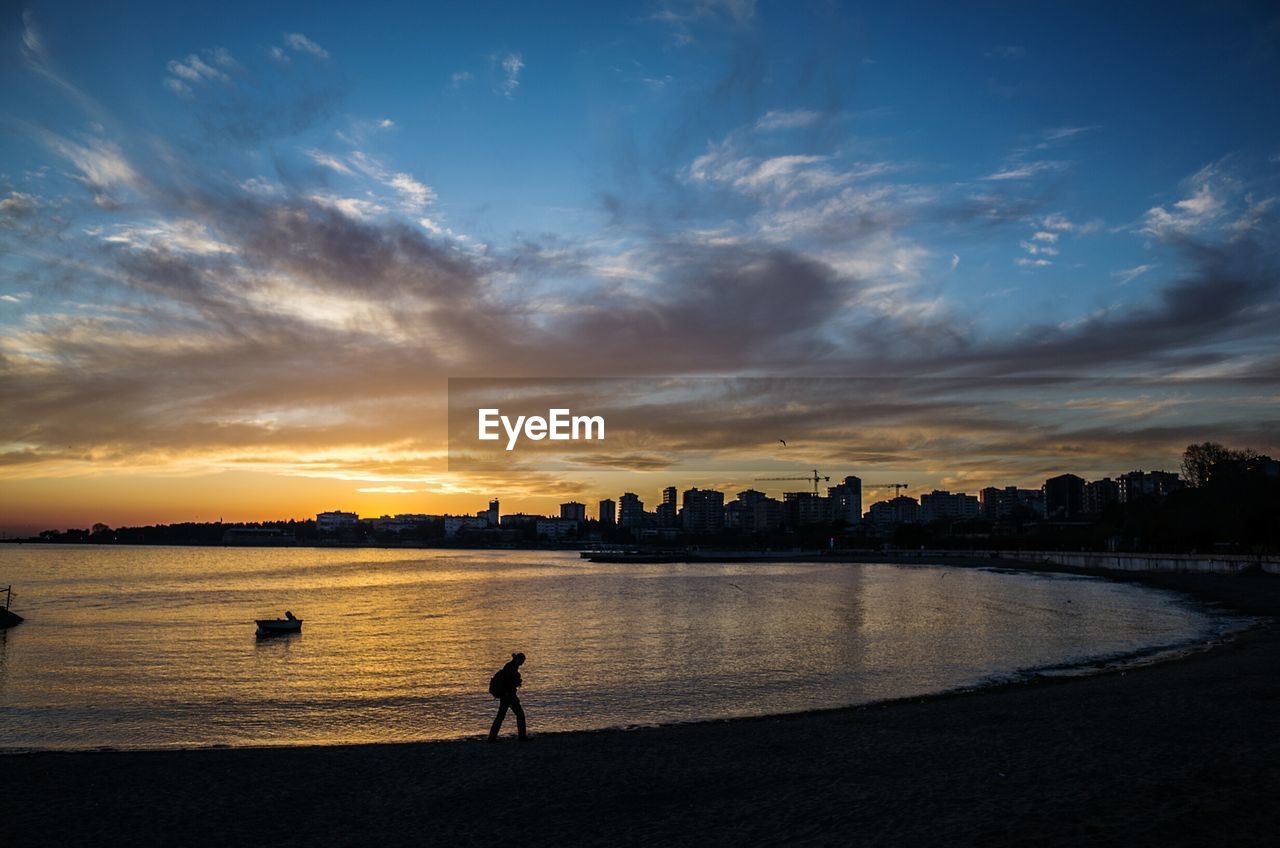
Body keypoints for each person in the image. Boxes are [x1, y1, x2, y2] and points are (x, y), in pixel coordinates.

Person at [487, 652, 528, 742]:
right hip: (508, 695)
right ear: (518, 659)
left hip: (506, 695)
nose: (522, 663)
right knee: (520, 715)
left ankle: (492, 737)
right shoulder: (511, 667)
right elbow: (509, 682)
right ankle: (522, 737)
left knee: (501, 716)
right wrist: (517, 681)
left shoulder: (511, 666)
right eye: (522, 661)